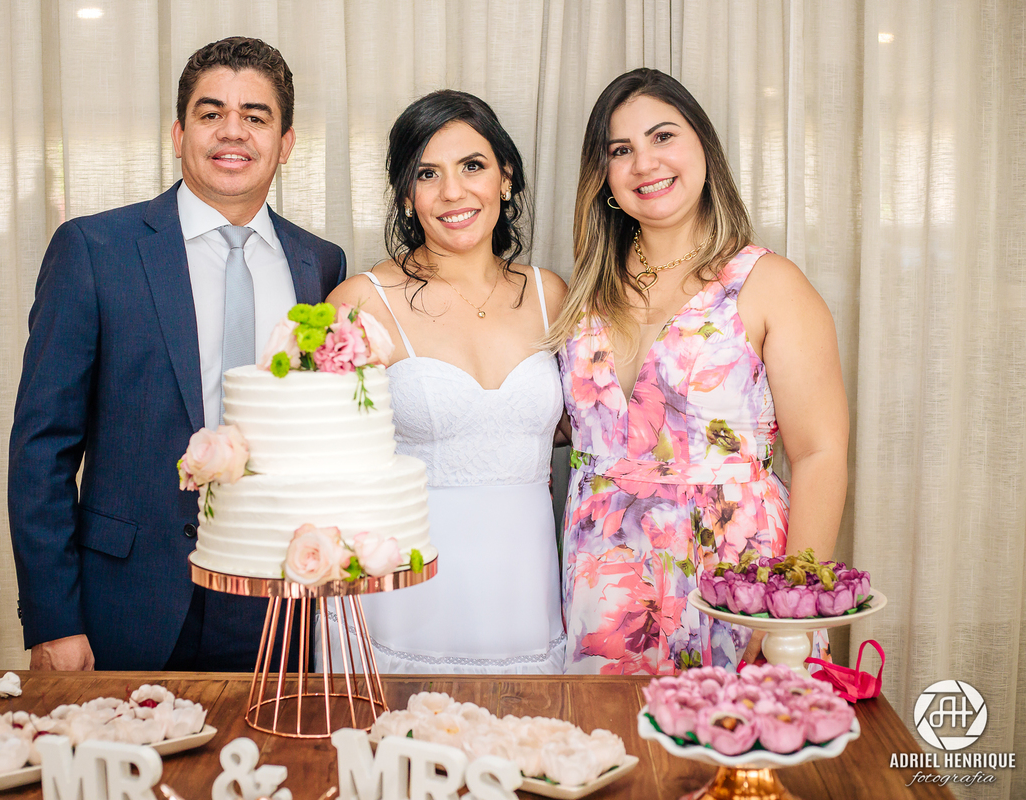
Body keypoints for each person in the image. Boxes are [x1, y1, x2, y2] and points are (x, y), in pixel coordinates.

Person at [8, 37, 346, 672]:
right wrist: (54, 619)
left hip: (281, 601)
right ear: (178, 133)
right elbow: (41, 447)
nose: (233, 131)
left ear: (286, 143)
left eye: (255, 116)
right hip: (129, 600)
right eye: (211, 112)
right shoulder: (95, 250)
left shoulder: (320, 264)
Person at [546, 69, 847, 675]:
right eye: (620, 150)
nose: (644, 163)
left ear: (704, 147)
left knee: (741, 737)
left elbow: (820, 454)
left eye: (663, 137)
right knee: (609, 737)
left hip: (741, 584)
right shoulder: (579, 296)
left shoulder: (768, 284)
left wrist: (786, 604)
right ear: (604, 178)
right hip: (602, 592)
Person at [323, 90, 568, 673]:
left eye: (472, 166)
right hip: (404, 589)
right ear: (406, 197)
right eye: (427, 173)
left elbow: (579, 424)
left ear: (506, 177)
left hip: (523, 587)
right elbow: (320, 458)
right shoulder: (361, 302)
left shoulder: (551, 294)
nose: (453, 192)